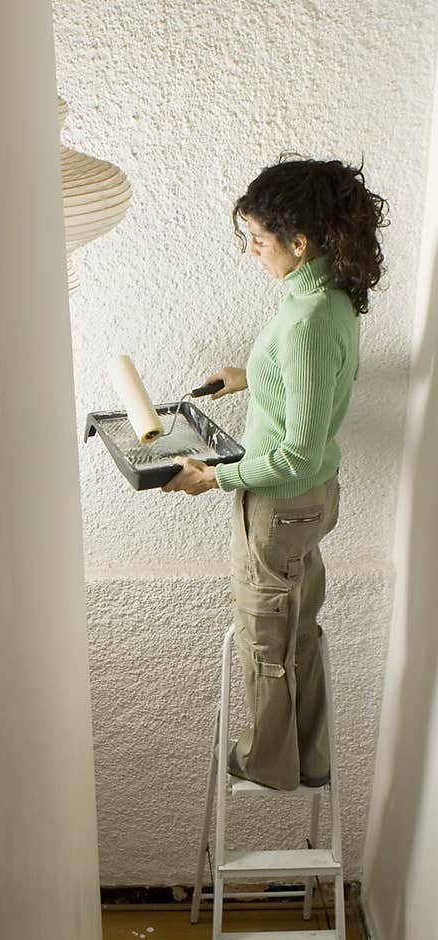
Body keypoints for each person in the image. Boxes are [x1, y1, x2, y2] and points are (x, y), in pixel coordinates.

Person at [162, 156, 388, 790]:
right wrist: (248, 378)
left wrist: (214, 476)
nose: (253, 252)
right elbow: (306, 388)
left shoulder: (310, 321)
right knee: (300, 629)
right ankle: (310, 759)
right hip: (306, 503)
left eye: (258, 241)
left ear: (299, 241)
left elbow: (297, 451)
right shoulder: (322, 295)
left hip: (281, 503)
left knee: (266, 639)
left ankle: (267, 762)